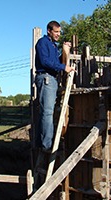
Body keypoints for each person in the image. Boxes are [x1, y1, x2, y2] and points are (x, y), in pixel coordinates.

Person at [35, 20, 76, 152]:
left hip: (50, 78)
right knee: (47, 112)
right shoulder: (43, 43)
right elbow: (45, 62)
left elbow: (54, 62)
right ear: (49, 31)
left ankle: (41, 142)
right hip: (46, 77)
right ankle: (47, 145)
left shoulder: (53, 45)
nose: (58, 34)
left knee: (45, 113)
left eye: (59, 32)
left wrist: (64, 50)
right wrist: (64, 67)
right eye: (56, 31)